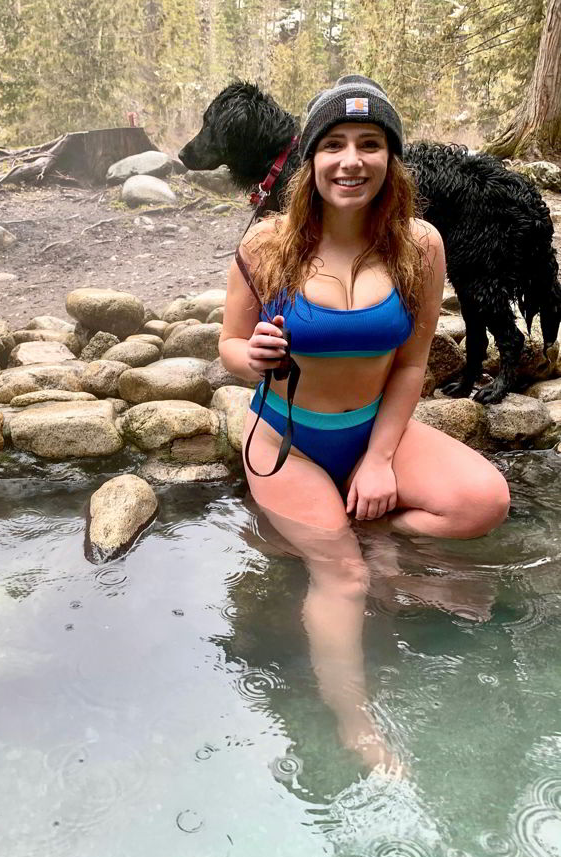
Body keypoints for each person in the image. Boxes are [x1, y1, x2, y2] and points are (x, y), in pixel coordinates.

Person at [219, 76, 510, 771]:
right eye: (336, 145)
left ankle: (375, 542)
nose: (351, 160)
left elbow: (410, 367)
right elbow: (228, 347)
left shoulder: (420, 245)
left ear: (391, 160)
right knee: (342, 578)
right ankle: (354, 722)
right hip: (290, 438)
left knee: (485, 502)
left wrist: (380, 461)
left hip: (376, 427)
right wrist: (250, 355)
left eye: (370, 144)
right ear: (312, 161)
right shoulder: (267, 244)